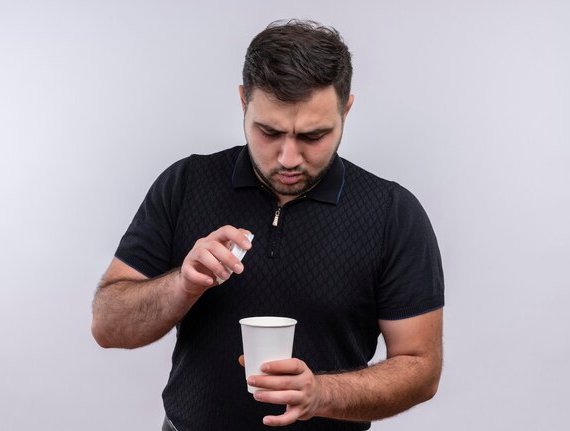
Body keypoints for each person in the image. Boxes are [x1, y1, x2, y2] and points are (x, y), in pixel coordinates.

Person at [91, 19, 444, 431]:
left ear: (346, 109)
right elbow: (107, 325)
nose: (288, 158)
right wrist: (182, 285)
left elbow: (421, 367)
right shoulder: (187, 184)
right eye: (269, 131)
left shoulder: (392, 213)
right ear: (244, 102)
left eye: (313, 136)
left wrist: (322, 394)